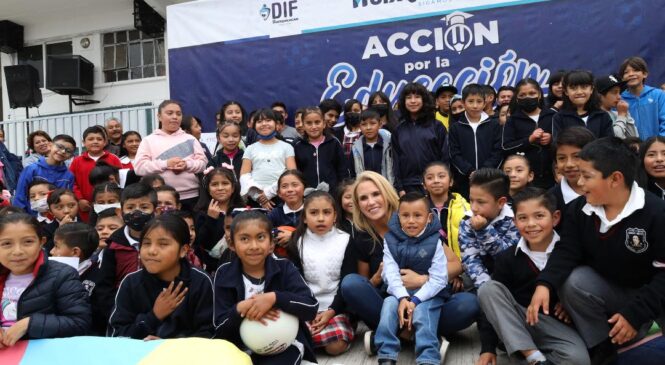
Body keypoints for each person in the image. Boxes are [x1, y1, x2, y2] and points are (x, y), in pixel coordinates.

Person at [529, 137, 665, 365]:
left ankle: (643, 334)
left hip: (652, 297)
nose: (579, 182)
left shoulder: (656, 213)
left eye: (587, 176)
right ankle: (604, 347)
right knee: (573, 281)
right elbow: (567, 251)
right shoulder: (580, 209)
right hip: (612, 292)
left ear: (615, 179)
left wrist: (635, 315)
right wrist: (545, 284)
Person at [339, 172, 478, 351]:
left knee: (470, 303)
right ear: (357, 205)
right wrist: (377, 277)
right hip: (390, 305)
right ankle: (419, 336)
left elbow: (457, 265)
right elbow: (364, 287)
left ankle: (392, 335)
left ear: (387, 194)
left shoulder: (413, 219)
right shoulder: (361, 238)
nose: (371, 202)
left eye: (376, 194)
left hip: (428, 301)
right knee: (350, 284)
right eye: (363, 198)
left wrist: (424, 279)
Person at [478, 188, 589, 365]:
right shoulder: (508, 258)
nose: (531, 224)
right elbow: (490, 308)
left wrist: (571, 306)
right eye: (523, 218)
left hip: (556, 328)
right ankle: (533, 356)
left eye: (539, 216)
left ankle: (524, 355)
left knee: (578, 360)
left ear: (555, 218)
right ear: (514, 221)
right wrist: (487, 348)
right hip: (518, 322)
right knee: (488, 289)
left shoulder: (571, 253)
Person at [214, 211, 319, 365]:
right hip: (240, 349)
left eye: (260, 237)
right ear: (232, 245)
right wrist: (240, 309)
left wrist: (274, 298)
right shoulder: (224, 273)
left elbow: (311, 306)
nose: (254, 246)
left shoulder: (284, 268)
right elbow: (219, 327)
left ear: (271, 244)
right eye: (244, 239)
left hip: (285, 346)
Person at [109, 214, 214, 339]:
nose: (152, 251)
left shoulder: (201, 282)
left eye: (163, 244)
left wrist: (166, 346)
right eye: (146, 243)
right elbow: (116, 334)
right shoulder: (131, 282)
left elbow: (208, 335)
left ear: (183, 250)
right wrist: (154, 316)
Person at [374, 192, 448, 365]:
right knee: (388, 306)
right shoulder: (390, 239)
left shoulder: (435, 240)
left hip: (428, 294)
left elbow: (439, 279)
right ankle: (387, 354)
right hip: (400, 291)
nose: (411, 221)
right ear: (398, 217)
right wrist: (402, 297)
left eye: (417, 215)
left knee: (422, 313)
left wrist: (414, 300)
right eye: (405, 215)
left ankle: (428, 356)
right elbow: (390, 273)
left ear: (429, 217)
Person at [0, 213, 90, 345]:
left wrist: (30, 324)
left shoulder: (62, 275)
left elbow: (80, 322)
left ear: (41, 242)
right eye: (7, 243)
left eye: (28, 242)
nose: (17, 251)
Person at [286, 191, 355, 355]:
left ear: (335, 216)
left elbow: (347, 282)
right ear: (304, 217)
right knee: (293, 340)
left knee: (335, 347)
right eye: (314, 213)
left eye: (327, 212)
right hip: (308, 306)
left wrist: (331, 311)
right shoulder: (297, 242)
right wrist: (310, 311)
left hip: (336, 307)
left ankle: (344, 332)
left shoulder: (345, 240)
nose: (321, 218)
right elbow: (296, 282)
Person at [96, 182, 157, 328]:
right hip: (122, 315)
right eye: (130, 207)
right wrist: (115, 313)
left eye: (144, 207)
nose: (136, 213)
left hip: (160, 311)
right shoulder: (113, 246)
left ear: (156, 211)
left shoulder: (165, 242)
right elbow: (104, 288)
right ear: (120, 212)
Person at [134, 100, 208, 211]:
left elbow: (203, 163)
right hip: (161, 199)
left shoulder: (190, 138)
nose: (175, 117)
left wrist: (186, 164)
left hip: (192, 197)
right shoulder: (148, 140)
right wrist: (166, 164)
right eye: (170, 113)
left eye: (178, 114)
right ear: (159, 116)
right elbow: (139, 168)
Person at [459, 168, 520, 289]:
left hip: (511, 280)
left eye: (481, 202)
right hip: (477, 284)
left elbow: (506, 258)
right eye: (471, 200)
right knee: (463, 306)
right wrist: (488, 290)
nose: (474, 208)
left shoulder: (514, 220)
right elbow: (470, 260)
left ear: (501, 202)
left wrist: (484, 230)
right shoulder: (467, 221)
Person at [392, 82, 448, 195]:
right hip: (408, 186)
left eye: (417, 97)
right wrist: (400, 188)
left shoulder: (437, 126)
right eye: (409, 98)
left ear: (424, 100)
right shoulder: (399, 130)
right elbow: (396, 161)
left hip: (434, 184)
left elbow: (445, 157)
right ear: (403, 102)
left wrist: (442, 180)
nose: (413, 101)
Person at [50, 222, 106, 335]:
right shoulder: (49, 274)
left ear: (75, 252)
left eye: (56, 246)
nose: (51, 251)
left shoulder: (99, 277)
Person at [448, 84, 503, 198]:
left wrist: (484, 171)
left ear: (484, 103)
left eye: (479, 101)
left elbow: (498, 151)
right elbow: (454, 153)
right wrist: (469, 171)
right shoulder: (456, 127)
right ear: (463, 103)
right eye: (471, 101)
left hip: (489, 178)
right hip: (465, 180)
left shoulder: (494, 125)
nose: (475, 105)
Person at [501, 78, 556, 189]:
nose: (528, 98)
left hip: (552, 177)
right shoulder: (513, 120)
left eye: (532, 93)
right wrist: (529, 140)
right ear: (517, 98)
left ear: (539, 94)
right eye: (522, 95)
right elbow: (505, 147)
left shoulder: (553, 116)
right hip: (525, 181)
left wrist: (551, 139)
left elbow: (564, 141)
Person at [240, 108, 297, 210]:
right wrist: (258, 196)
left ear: (277, 125)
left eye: (268, 120)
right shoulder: (250, 148)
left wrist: (268, 193)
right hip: (256, 199)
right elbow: (244, 175)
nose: (264, 124)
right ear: (254, 126)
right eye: (259, 121)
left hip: (281, 196)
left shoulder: (287, 147)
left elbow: (291, 173)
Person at [193, 167, 244, 272]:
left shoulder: (242, 210)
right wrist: (211, 219)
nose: (220, 188)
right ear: (208, 189)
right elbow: (202, 243)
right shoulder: (201, 212)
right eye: (214, 184)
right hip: (213, 267)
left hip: (241, 263)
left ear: (233, 188)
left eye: (225, 183)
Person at [70, 125, 122, 221]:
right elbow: (73, 183)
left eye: (99, 139)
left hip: (111, 203)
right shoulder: (77, 161)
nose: (95, 141)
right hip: (86, 207)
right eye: (91, 139)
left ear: (105, 142)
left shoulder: (113, 158)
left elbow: (120, 180)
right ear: (83, 142)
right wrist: (79, 199)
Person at [14, 134, 76, 216]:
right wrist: (22, 218)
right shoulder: (32, 169)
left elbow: (66, 200)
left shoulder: (69, 176)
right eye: (60, 147)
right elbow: (20, 196)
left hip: (56, 221)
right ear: (50, 145)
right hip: (30, 218)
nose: (63, 151)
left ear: (70, 156)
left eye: (68, 151)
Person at [548, 127, 596, 228]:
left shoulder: (604, 192)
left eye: (577, 156)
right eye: (561, 158)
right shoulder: (550, 199)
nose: (569, 164)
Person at [422, 161, 469, 263]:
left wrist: (460, 269)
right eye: (430, 178)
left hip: (461, 266)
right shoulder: (418, 210)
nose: (436, 181)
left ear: (451, 182)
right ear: (424, 185)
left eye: (441, 176)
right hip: (428, 267)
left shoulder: (465, 208)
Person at [294, 107, 348, 191]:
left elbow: (342, 170)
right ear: (303, 126)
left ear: (324, 124)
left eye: (317, 122)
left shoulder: (334, 143)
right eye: (309, 123)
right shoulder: (298, 145)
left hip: (332, 194)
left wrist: (341, 190)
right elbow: (297, 172)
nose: (314, 126)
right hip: (308, 194)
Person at [552, 70, 614, 138]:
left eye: (584, 87)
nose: (579, 92)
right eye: (573, 88)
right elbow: (558, 145)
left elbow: (609, 143)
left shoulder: (603, 116)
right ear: (566, 91)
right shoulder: (559, 118)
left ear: (591, 89)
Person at [620, 57, 665, 139]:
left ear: (645, 74)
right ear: (622, 78)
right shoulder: (619, 100)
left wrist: (659, 144)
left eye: (636, 70)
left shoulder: (659, 95)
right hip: (630, 149)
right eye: (626, 72)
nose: (631, 74)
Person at [268, 170, 305, 257]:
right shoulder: (275, 213)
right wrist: (276, 233)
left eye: (295, 185)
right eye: (284, 186)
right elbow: (264, 230)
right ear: (279, 193)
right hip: (282, 260)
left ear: (305, 189)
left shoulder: (311, 210)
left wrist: (294, 236)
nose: (290, 190)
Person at [350, 108, 394, 184]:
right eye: (364, 124)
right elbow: (353, 174)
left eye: (372, 123)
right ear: (359, 127)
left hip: (387, 188)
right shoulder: (355, 149)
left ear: (380, 125)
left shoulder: (390, 146)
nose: (368, 128)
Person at [596, 74, 639, 139]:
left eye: (619, 93)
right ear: (600, 96)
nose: (619, 97)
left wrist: (626, 114)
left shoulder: (618, 114)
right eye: (614, 92)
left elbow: (634, 138)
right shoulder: (596, 116)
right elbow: (615, 139)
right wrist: (621, 115)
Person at [41, 188, 79, 253]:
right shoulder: (46, 229)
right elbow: (46, 251)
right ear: (51, 212)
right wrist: (60, 230)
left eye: (71, 205)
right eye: (59, 207)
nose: (66, 211)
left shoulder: (86, 226)